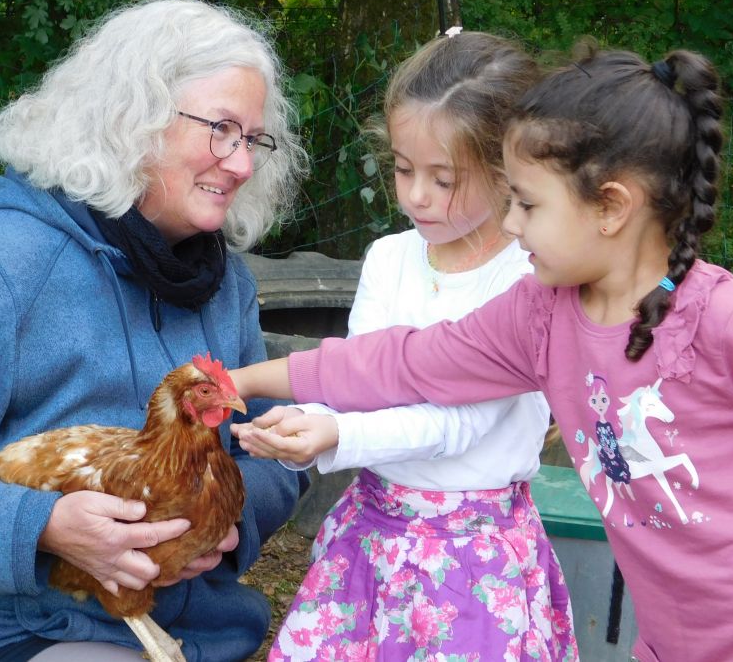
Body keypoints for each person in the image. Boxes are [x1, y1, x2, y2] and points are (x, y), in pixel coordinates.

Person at [230, 43, 733, 661]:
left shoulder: (729, 321)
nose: (514, 225)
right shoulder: (540, 315)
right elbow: (400, 361)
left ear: (610, 207)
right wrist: (250, 379)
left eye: (528, 203)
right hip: (669, 639)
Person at [0, 0, 308, 661]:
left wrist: (225, 520)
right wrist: (41, 527)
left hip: (194, 633)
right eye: (220, 129)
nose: (242, 164)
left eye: (251, 139)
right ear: (135, 118)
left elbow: (274, 446)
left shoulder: (225, 284)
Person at [232, 32, 576, 661]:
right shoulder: (390, 258)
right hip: (372, 536)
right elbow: (359, 376)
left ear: (508, 170)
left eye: (443, 179)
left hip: (471, 563)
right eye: (402, 168)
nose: (417, 195)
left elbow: (459, 425)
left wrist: (335, 437)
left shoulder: (529, 279)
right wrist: (308, 419)